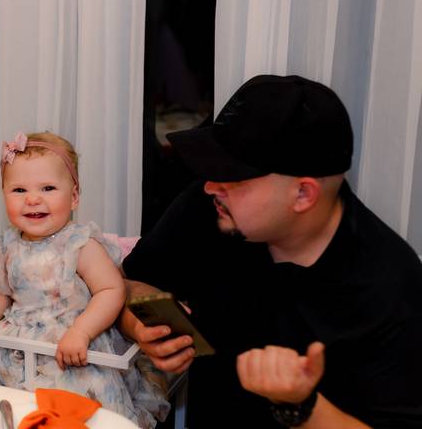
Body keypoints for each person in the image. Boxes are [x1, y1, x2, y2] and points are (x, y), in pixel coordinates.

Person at [120, 75, 422, 428]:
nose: (211, 185)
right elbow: (130, 283)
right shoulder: (211, 209)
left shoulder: (391, 288)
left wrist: (300, 405)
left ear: (303, 194)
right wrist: (137, 324)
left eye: (233, 176)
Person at [0, 132, 169, 428]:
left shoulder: (79, 243)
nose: (33, 199)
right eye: (19, 190)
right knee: (3, 405)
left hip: (71, 342)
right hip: (17, 344)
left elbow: (110, 290)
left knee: (83, 410)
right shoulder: (6, 245)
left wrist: (82, 331)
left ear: (74, 196)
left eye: (48, 188)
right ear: (4, 195)